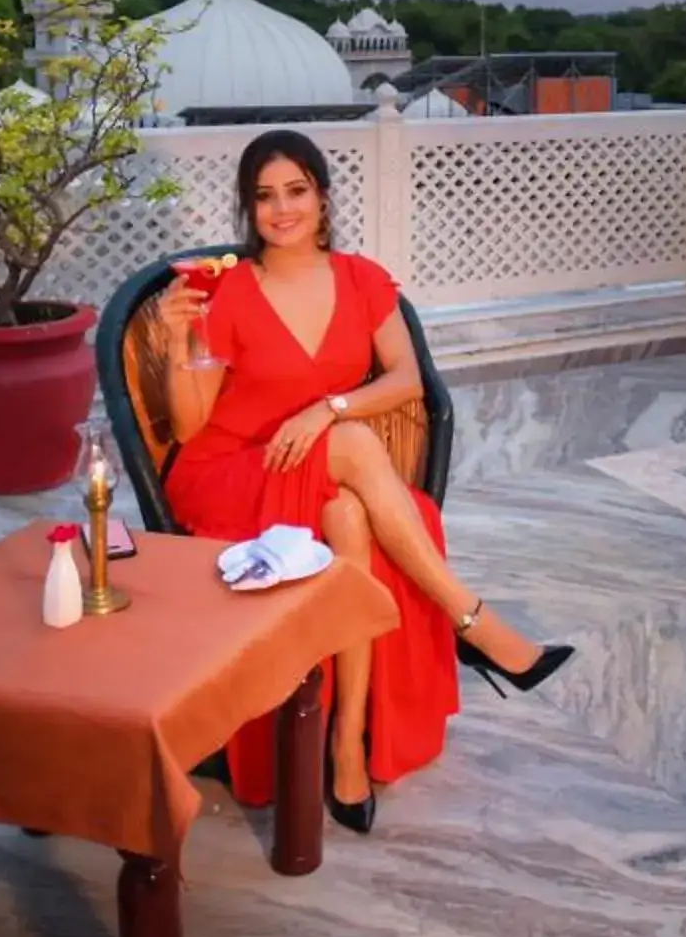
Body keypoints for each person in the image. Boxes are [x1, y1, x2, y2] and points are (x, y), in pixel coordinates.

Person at [158, 129, 571, 834]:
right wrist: (176, 339)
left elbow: (408, 379)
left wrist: (326, 408)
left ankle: (344, 741)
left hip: (323, 471)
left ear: (322, 195)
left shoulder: (362, 279)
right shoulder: (229, 292)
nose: (282, 210)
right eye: (264, 197)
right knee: (350, 447)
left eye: (296, 190)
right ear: (248, 209)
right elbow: (192, 431)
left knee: (350, 516)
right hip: (233, 474)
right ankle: (473, 622)